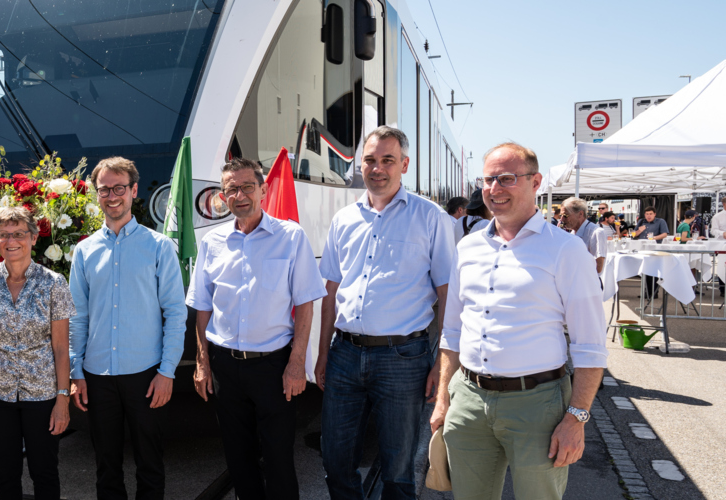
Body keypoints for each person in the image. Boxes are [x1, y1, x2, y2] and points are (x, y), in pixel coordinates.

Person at [431, 142, 607, 500]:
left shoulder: (567, 250)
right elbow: (452, 331)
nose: (495, 189)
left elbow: (590, 347)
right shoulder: (467, 247)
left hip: (537, 405)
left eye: (507, 179)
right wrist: (443, 398)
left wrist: (576, 419)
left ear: (535, 181)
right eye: (488, 179)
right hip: (468, 398)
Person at [315, 126, 455, 499]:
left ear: (404, 164)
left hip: (403, 358)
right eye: (370, 160)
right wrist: (323, 352)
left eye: (387, 161)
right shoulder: (343, 220)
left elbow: (448, 294)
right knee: (336, 460)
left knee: (397, 468)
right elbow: (330, 289)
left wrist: (442, 364)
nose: (377, 168)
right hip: (344, 354)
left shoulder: (431, 218)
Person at [186, 157, 327, 500]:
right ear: (222, 196)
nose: (240, 195)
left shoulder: (290, 237)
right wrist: (203, 364)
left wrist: (297, 364)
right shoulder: (212, 242)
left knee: (279, 458)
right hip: (225, 367)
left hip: (273, 367)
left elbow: (306, 305)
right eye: (232, 189)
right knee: (239, 458)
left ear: (263, 190)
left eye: (248, 186)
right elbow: (202, 309)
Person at [68, 157, 187, 500]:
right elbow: (78, 317)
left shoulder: (160, 246)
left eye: (119, 187)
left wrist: (167, 372)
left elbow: (176, 313)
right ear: (97, 194)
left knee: (150, 461)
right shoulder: (84, 251)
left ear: (134, 191)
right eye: (104, 189)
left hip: (146, 375)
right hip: (97, 376)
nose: (112, 195)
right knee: (106, 465)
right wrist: (77, 373)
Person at [0, 206, 74, 500]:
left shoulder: (54, 283)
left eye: (19, 233)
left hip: (42, 394)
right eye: (4, 235)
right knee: (5, 474)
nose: (11, 240)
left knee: (45, 472)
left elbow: (62, 347)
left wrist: (62, 400)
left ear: (34, 237)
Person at [561, 197, 607, 274]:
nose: (562, 219)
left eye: (565, 215)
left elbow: (598, 268)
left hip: (588, 283)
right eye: (561, 215)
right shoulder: (572, 233)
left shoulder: (596, 232)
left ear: (580, 214)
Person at [632, 206, 669, 299]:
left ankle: (653, 292)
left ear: (654, 214)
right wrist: (639, 230)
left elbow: (665, 234)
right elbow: (633, 235)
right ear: (644, 215)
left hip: (654, 249)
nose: (648, 216)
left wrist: (654, 238)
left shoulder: (660, 221)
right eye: (647, 214)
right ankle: (647, 292)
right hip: (642, 249)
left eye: (650, 214)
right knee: (644, 270)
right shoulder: (641, 222)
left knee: (653, 271)